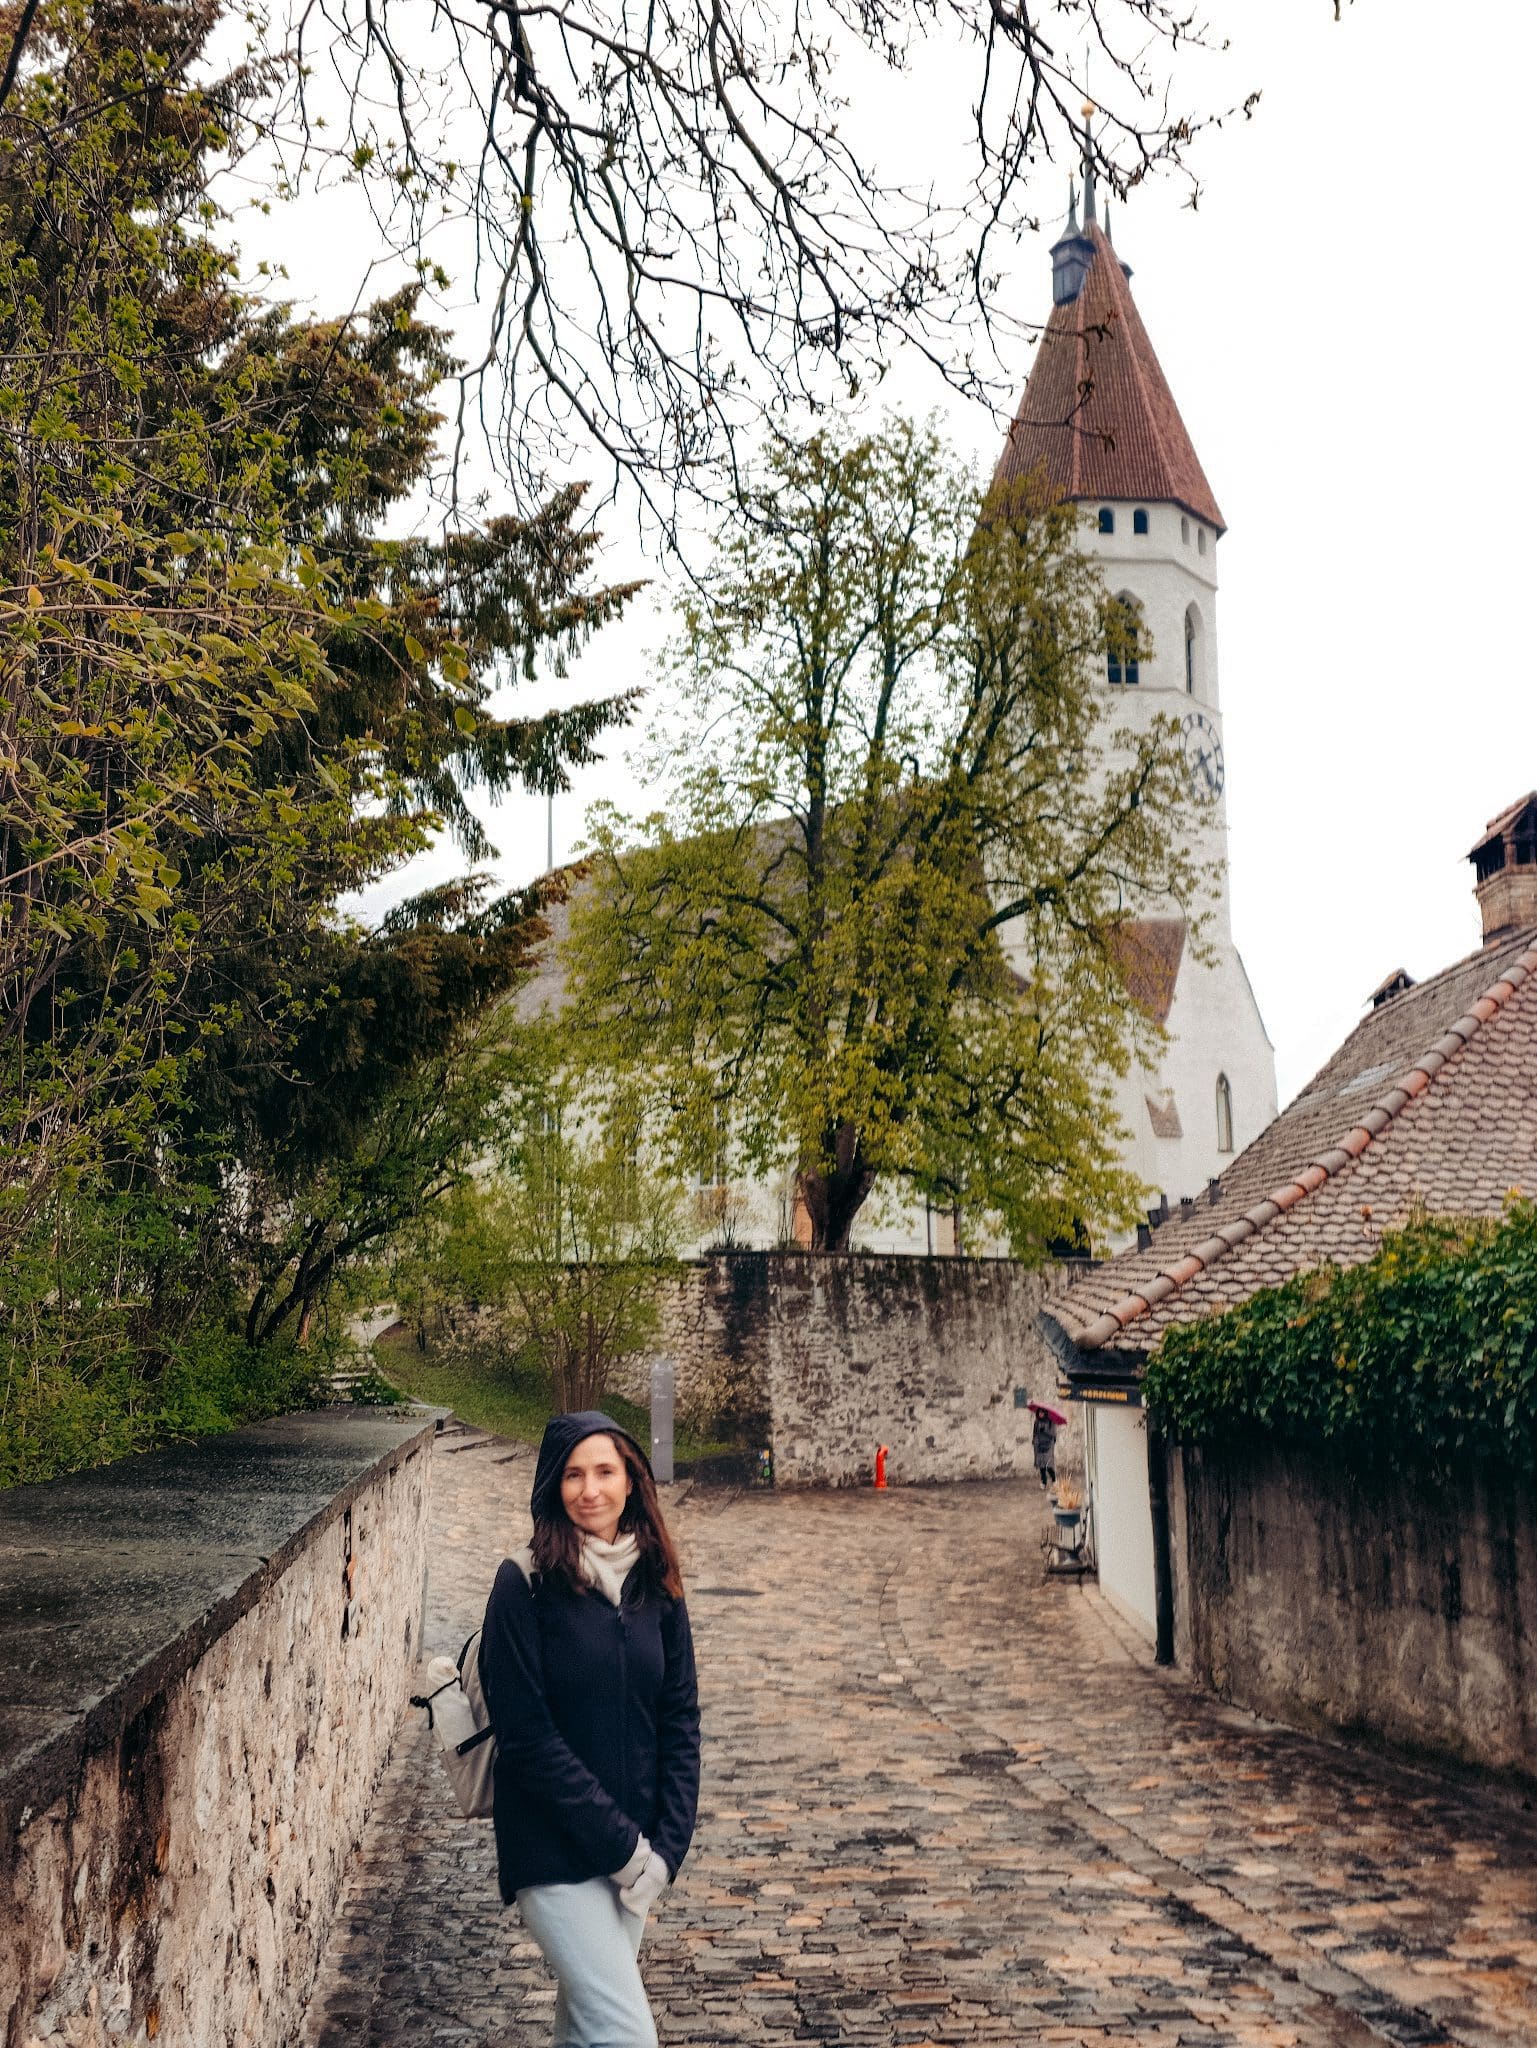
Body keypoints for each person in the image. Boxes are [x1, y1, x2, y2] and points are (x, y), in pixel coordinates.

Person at [479, 1411, 700, 2048]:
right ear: (554, 1485)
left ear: (631, 1480)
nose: (590, 1489)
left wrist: (667, 1847)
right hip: (554, 1852)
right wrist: (625, 1850)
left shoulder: (658, 1582)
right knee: (626, 2034)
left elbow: (680, 1717)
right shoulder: (523, 1584)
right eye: (574, 1475)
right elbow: (527, 1739)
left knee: (585, 2031)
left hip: (637, 1856)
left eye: (605, 1471)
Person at [1032, 1406, 1059, 1488]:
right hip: (1039, 1445)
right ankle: (1044, 1482)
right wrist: (1034, 1441)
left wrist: (1045, 1431)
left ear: (1045, 1413)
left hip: (1048, 1445)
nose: (1040, 1414)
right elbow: (1035, 1433)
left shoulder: (1051, 1422)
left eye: (1042, 1412)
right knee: (1041, 1465)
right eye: (1039, 1412)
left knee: (1048, 1464)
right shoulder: (1037, 1422)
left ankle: (1054, 1479)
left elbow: (1053, 1434)